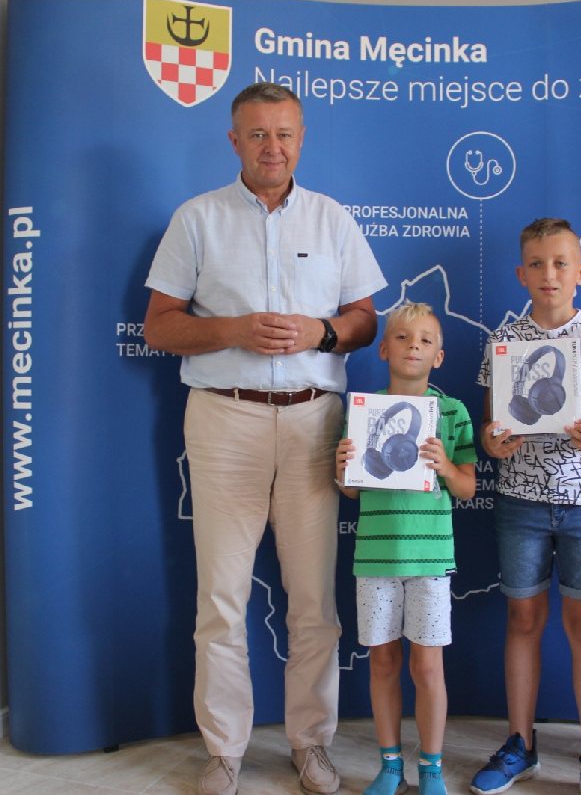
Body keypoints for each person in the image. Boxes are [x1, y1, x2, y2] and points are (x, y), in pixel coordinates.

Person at [143, 83, 387, 795]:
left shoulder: (332, 218)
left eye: (283, 134)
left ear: (301, 139)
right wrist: (234, 330)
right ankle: (225, 751)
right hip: (225, 418)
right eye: (257, 134)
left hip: (314, 422)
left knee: (313, 600)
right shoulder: (197, 218)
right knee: (220, 598)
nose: (271, 147)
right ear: (234, 141)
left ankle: (312, 743)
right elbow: (159, 325)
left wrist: (322, 331)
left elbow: (366, 319)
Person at [471, 218, 581, 795]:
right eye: (537, 264)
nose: (550, 274)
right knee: (523, 619)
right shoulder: (504, 340)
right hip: (520, 503)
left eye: (561, 263)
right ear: (521, 273)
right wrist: (492, 443)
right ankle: (520, 743)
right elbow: (491, 426)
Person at [335, 302, 477, 795]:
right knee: (382, 663)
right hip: (374, 558)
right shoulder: (363, 413)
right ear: (383, 349)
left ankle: (431, 767)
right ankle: (390, 765)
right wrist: (343, 466)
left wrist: (446, 467)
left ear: (439, 356)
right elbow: (350, 491)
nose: (413, 345)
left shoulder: (453, 413)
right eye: (401, 337)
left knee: (427, 666)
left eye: (425, 340)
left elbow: (467, 488)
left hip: (430, 561)